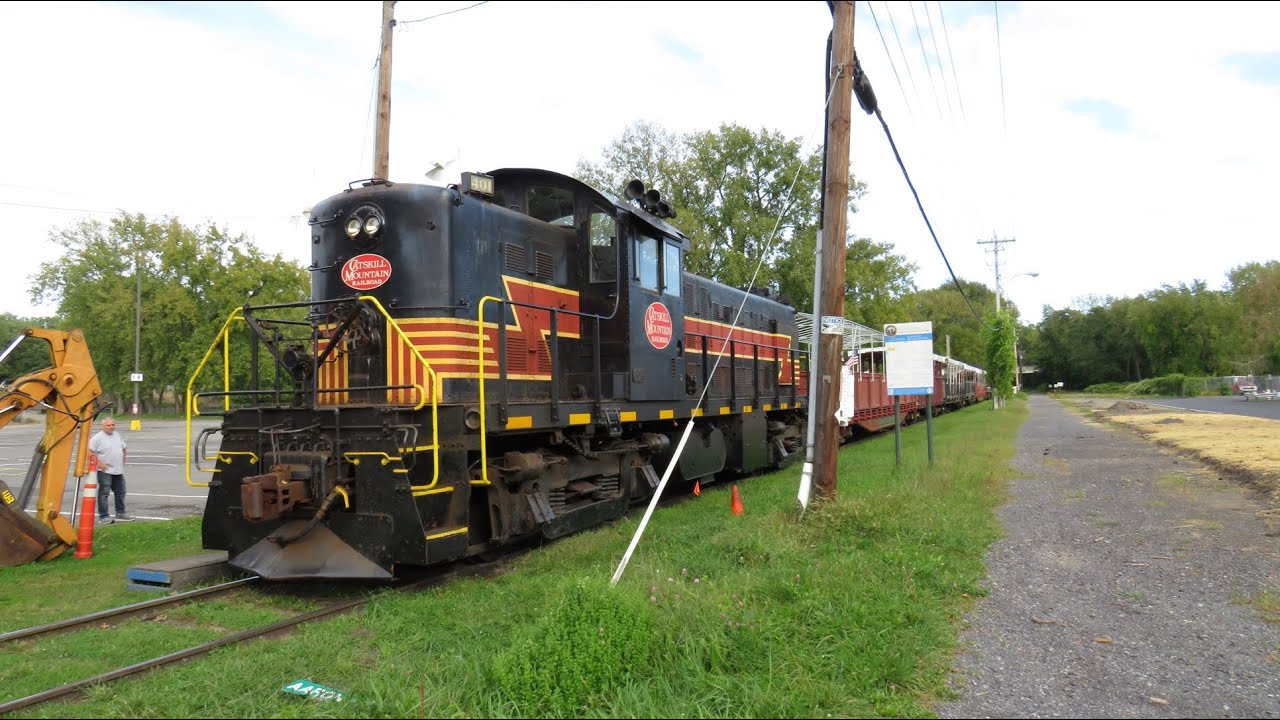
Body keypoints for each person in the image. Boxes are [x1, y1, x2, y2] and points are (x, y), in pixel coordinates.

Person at [89, 417, 131, 523]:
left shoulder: (117, 435)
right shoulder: (97, 438)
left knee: (121, 491)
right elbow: (90, 452)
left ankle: (120, 513)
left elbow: (123, 447)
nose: (111, 427)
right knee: (104, 492)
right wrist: (100, 464)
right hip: (105, 470)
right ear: (103, 426)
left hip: (118, 469)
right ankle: (104, 516)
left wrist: (123, 458)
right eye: (108, 425)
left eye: (113, 425)